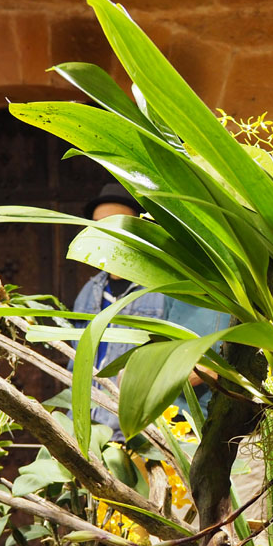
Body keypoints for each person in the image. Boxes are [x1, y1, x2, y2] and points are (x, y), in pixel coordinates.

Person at [72, 184, 166, 439]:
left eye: (115, 223)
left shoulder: (162, 290)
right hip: (86, 430)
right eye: (97, 225)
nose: (105, 233)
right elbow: (75, 365)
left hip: (138, 433)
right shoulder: (88, 292)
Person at [164, 275, 273, 417]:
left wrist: (215, 370)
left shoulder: (262, 277)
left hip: (236, 413)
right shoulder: (180, 275)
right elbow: (162, 337)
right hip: (177, 409)